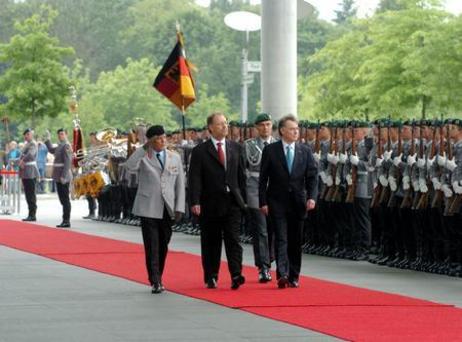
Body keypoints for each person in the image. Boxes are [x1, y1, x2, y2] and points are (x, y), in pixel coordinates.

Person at [189, 112, 247, 290]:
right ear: (210, 128)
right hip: (210, 202)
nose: (224, 126)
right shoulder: (200, 151)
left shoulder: (236, 148)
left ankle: (236, 274)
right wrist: (195, 201)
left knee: (233, 240)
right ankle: (211, 275)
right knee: (210, 241)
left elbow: (241, 176)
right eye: (220, 124)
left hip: (232, 201)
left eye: (226, 123)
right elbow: (195, 178)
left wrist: (242, 199)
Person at [259, 114, 318, 289]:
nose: (295, 132)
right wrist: (263, 202)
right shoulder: (271, 150)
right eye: (292, 129)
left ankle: (294, 275)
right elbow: (263, 179)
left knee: (295, 240)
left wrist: (312, 197)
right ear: (282, 131)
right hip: (277, 201)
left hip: (298, 202)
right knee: (281, 238)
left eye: (297, 129)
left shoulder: (305, 151)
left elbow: (313, 177)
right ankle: (282, 274)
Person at [126, 125, 185, 294]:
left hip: (167, 207)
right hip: (148, 207)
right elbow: (129, 166)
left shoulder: (175, 157)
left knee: (163, 244)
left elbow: (180, 184)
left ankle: (158, 273)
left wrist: (179, 207)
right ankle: (155, 280)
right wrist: (143, 148)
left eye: (163, 137)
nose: (162, 140)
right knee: (152, 244)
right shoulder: (144, 156)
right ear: (151, 141)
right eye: (158, 138)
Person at [243, 113, 276, 283]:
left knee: (274, 229)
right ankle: (263, 267)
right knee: (261, 230)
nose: (265, 128)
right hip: (255, 190)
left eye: (268, 124)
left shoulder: (279, 144)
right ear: (256, 127)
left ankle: (270, 259)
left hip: (275, 191)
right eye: (262, 125)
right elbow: (244, 169)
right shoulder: (249, 146)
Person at [45, 129, 73, 228]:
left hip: (63, 175)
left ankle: (66, 220)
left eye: (62, 134)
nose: (60, 136)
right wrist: (48, 139)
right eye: (59, 134)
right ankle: (65, 219)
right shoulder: (60, 145)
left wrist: (63, 176)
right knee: (62, 199)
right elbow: (52, 150)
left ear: (66, 134)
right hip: (58, 175)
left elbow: (67, 163)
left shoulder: (66, 146)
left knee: (65, 199)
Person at [19, 129, 40, 221]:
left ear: (31, 135)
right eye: (25, 135)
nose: (26, 136)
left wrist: (22, 160)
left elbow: (31, 155)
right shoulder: (27, 144)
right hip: (25, 171)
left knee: (31, 194)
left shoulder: (33, 144)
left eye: (27, 134)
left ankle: (32, 214)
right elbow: (22, 155)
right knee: (28, 193)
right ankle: (30, 213)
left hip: (30, 171)